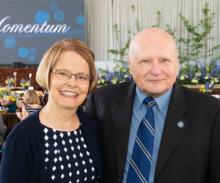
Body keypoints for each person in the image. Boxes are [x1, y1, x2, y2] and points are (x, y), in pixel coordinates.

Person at [85, 28, 220, 183]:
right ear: (130, 65)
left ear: (177, 64)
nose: (156, 71)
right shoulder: (102, 102)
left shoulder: (210, 112)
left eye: (164, 60)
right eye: (145, 61)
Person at [0, 39, 103, 183]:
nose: (72, 83)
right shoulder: (21, 138)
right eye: (62, 73)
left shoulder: (92, 127)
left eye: (81, 77)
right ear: (47, 75)